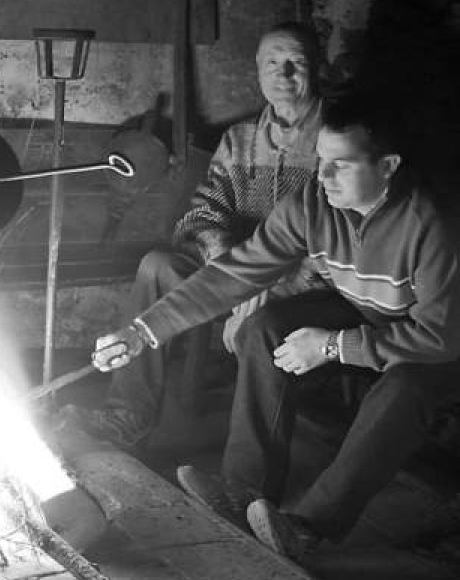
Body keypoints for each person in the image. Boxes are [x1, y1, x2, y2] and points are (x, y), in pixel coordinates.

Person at [87, 93, 460, 562]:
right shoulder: (312, 203)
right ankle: (245, 493)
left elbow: (440, 337)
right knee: (264, 326)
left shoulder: (433, 223)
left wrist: (333, 347)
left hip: (440, 347)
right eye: (321, 160)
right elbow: (233, 274)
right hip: (373, 317)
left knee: (403, 386)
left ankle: (310, 527)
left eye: (340, 165)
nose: (322, 177)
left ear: (388, 165)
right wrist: (142, 332)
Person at [60, 22, 327, 447]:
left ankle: (246, 469)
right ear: (257, 71)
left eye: (297, 63)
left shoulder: (334, 141)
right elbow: (202, 211)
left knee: (261, 318)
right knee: (157, 266)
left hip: (299, 280)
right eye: (272, 63)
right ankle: (129, 413)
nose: (284, 74)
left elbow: (340, 235)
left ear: (318, 68)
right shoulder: (239, 140)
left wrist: (270, 282)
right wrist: (226, 264)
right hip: (234, 269)